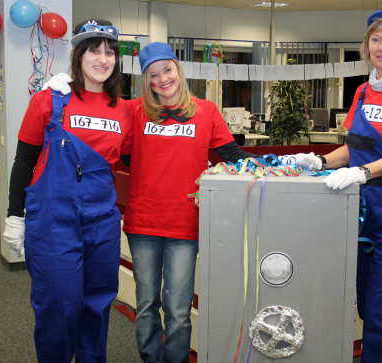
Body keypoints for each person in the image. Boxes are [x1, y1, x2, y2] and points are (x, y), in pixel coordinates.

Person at [280, 7, 382, 363]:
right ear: (367, 46)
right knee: (366, 305)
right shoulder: (364, 91)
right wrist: (319, 161)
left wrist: (363, 173)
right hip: (363, 212)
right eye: (376, 39)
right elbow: (355, 148)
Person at [125, 42, 266, 363]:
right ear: (146, 81)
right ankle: (150, 359)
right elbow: (117, 146)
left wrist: (274, 164)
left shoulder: (206, 111)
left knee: (177, 308)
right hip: (142, 221)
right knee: (146, 303)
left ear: (178, 69)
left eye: (167, 69)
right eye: (153, 74)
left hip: (184, 223)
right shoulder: (134, 111)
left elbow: (231, 155)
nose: (162, 79)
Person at [3, 19, 133, 363]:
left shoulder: (124, 110)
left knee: (97, 304)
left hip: (101, 224)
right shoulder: (49, 99)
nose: (102, 58)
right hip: (53, 224)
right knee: (59, 306)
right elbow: (24, 161)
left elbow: (132, 162)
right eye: (94, 50)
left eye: (109, 52)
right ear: (77, 54)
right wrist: (15, 216)